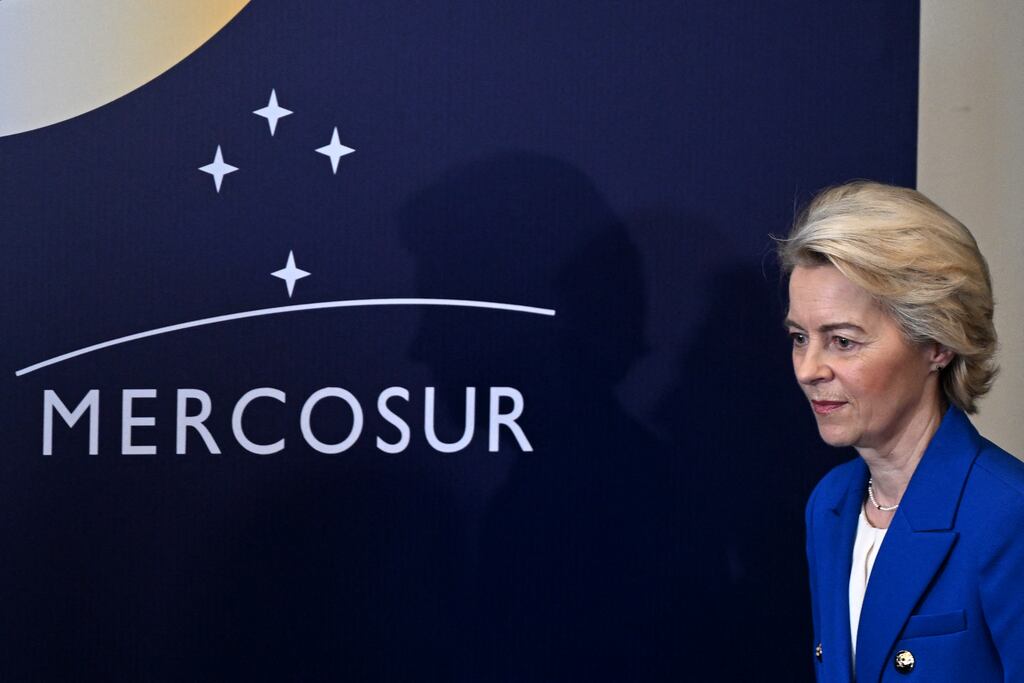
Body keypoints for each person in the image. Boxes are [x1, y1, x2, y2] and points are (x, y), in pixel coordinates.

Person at [778, 181, 1024, 682]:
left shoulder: (1008, 517)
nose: (808, 369)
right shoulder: (831, 504)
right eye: (800, 338)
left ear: (938, 342)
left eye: (842, 341)